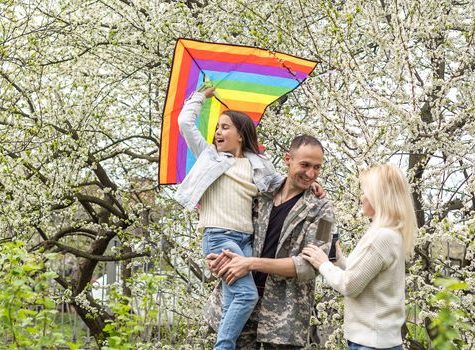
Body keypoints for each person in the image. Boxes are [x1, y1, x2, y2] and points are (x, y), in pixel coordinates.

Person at [175, 86, 284, 350]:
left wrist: (310, 186)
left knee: (236, 297)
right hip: (218, 236)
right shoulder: (209, 156)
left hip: (246, 241)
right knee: (246, 296)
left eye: (225, 127)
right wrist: (201, 96)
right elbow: (184, 123)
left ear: (241, 134)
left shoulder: (257, 163)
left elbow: (281, 186)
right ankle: (223, 347)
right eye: (217, 128)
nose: (218, 132)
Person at [204, 135, 335, 349]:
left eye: (317, 168)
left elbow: (311, 266)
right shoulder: (258, 189)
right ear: (288, 159)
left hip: (284, 317)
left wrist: (251, 263)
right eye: (305, 165)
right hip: (240, 305)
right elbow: (229, 227)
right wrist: (218, 259)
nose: (311, 173)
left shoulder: (324, 211)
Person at [302, 164, 418, 350]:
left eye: (365, 193)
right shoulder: (386, 233)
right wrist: (339, 260)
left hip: (372, 343)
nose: (361, 198)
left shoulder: (381, 237)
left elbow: (349, 286)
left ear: (378, 197)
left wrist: (322, 264)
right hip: (375, 341)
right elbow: (365, 276)